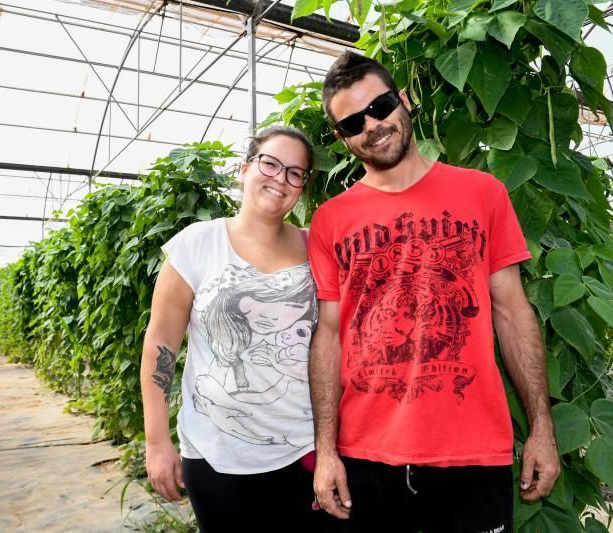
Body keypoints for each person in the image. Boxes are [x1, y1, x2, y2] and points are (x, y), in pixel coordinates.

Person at [307, 51, 560, 532]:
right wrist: (325, 452)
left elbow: (512, 313)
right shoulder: (331, 219)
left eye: (380, 106)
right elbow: (330, 335)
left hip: (472, 453)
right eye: (353, 123)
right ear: (343, 139)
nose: (373, 126)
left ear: (404, 99)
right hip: (366, 455)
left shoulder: (483, 193)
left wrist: (542, 429)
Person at [139, 126, 327, 533]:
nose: (281, 179)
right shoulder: (197, 244)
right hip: (216, 455)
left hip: (304, 452)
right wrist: (156, 442)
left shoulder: (318, 249)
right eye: (270, 164)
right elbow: (160, 343)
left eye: (296, 173)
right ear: (244, 169)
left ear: (303, 188)